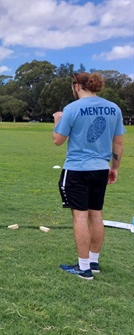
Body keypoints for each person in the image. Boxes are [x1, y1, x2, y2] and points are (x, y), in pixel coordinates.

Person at [53, 72, 125, 280]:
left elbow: (58, 140)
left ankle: (83, 268)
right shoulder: (114, 108)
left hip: (76, 169)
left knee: (80, 216)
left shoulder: (72, 109)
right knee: (96, 213)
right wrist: (115, 167)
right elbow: (118, 142)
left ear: (77, 86)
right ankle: (93, 261)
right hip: (101, 169)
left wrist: (57, 121)